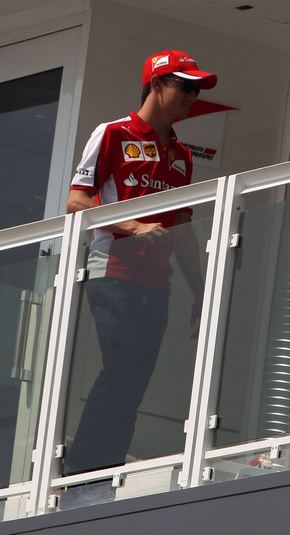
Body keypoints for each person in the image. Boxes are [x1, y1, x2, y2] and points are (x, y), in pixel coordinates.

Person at [63, 50, 215, 474]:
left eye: (197, 88)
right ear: (156, 85)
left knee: (133, 382)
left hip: (157, 284)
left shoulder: (182, 156)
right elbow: (77, 201)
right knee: (123, 369)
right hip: (112, 271)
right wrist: (134, 227)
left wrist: (203, 292)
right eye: (186, 86)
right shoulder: (112, 133)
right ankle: (78, 472)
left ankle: (104, 470)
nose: (193, 95)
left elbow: (182, 229)